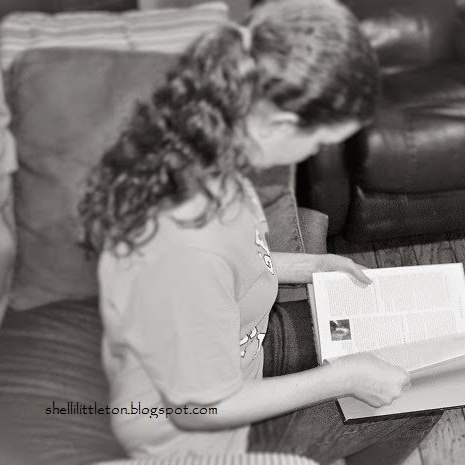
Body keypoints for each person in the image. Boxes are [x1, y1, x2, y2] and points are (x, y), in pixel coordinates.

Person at [77, 0, 442, 463]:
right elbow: (200, 408)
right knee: (412, 394)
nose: (313, 152)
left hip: (240, 354)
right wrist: (344, 378)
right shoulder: (185, 245)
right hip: (188, 439)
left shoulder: (206, 152)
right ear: (282, 124)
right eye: (320, 141)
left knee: (415, 363)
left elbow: (235, 264)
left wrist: (312, 265)